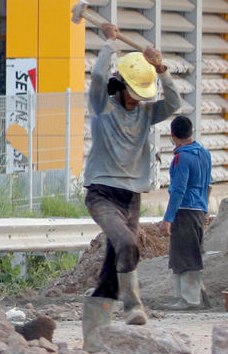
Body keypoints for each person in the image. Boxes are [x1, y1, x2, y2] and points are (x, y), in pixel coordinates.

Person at [81, 22, 181, 351]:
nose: (138, 101)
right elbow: (96, 79)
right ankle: (133, 305)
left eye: (143, 95)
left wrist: (161, 69)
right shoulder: (102, 108)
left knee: (114, 262)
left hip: (131, 195)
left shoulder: (146, 114)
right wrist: (108, 44)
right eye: (134, 94)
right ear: (122, 86)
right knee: (126, 241)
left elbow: (175, 102)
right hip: (102, 192)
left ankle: (96, 333)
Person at [159, 115, 212, 310]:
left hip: (185, 211)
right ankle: (189, 297)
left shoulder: (182, 157)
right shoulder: (204, 153)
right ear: (191, 132)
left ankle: (189, 299)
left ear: (173, 135)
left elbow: (178, 190)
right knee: (191, 252)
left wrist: (168, 219)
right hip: (198, 211)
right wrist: (206, 209)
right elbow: (208, 184)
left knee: (184, 255)